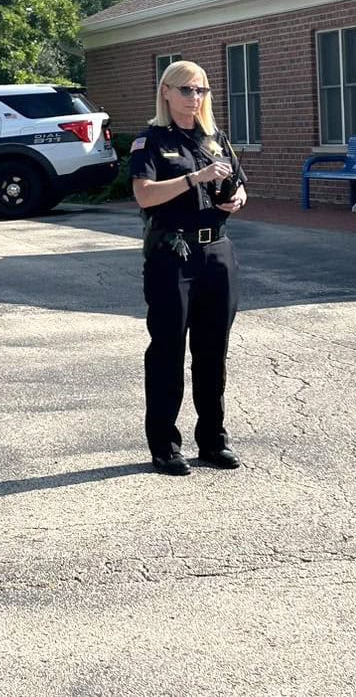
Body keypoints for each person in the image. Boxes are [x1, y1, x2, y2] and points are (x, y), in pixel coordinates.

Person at [129, 60, 247, 476]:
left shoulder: (214, 138)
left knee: (213, 351)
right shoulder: (151, 140)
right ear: (166, 92)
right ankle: (164, 445)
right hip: (171, 257)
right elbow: (144, 195)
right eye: (186, 91)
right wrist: (194, 178)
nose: (194, 99)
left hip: (217, 254)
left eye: (200, 91)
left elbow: (238, 184)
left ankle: (213, 439)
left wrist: (236, 199)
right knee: (168, 349)